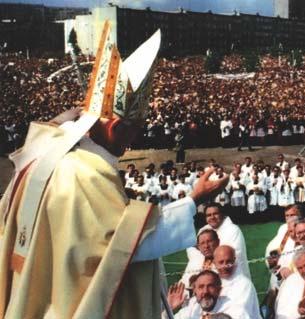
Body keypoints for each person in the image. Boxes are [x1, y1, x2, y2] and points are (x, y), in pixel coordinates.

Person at [0, 26, 230, 318]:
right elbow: (128, 244)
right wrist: (194, 199)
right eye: (131, 132)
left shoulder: (52, 145)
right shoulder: (83, 173)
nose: (133, 142)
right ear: (116, 127)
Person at [195, 203, 251, 278]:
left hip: (232, 275)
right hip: (206, 272)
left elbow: (233, 255)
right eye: (209, 215)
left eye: (215, 214)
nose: (212, 217)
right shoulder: (203, 230)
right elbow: (194, 251)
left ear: (222, 215)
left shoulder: (232, 230)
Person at [168, 270, 249, 318]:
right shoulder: (192, 308)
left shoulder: (235, 311)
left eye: (210, 286)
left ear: (219, 290)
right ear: (195, 291)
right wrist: (169, 308)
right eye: (201, 287)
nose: (205, 291)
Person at [274, 247, 305, 319]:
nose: (304, 271)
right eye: (300, 268)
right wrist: (298, 312)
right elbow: (281, 312)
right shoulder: (290, 281)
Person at [212, 245, 261, 319]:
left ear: (234, 260)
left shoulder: (244, 285)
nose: (225, 266)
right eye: (221, 262)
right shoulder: (211, 283)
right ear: (214, 263)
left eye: (228, 261)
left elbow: (240, 313)